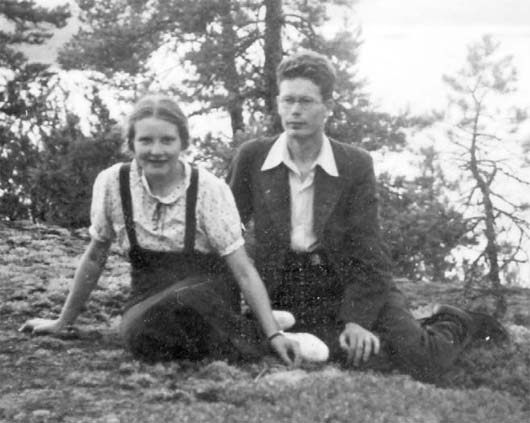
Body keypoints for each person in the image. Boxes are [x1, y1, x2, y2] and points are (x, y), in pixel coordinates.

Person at [227, 50, 508, 380]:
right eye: (288, 100)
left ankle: (456, 320)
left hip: (349, 282)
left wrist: (356, 319)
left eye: (306, 101)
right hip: (286, 287)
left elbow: (370, 250)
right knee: (325, 353)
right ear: (278, 102)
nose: (295, 110)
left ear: (328, 106)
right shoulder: (253, 157)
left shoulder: (354, 164)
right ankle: (369, 334)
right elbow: (227, 232)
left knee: (422, 359)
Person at [20, 93, 306, 366]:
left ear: (183, 143)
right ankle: (242, 327)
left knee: (187, 303)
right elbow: (95, 257)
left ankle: (270, 333)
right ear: (131, 143)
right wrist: (63, 322)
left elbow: (242, 269)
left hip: (206, 291)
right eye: (146, 140)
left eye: (167, 140)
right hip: (148, 295)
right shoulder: (113, 183)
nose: (156, 151)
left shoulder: (208, 189)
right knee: (140, 335)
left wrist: (274, 335)